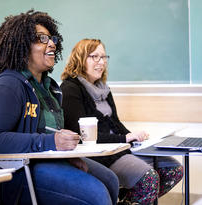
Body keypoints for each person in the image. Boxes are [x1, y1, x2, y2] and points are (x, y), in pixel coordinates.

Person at [0, 10, 120, 205]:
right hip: (13, 173)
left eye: (52, 39)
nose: (51, 44)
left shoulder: (49, 88)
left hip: (42, 162)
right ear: (22, 45)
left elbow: (49, 136)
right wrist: (51, 142)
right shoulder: (7, 85)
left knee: (111, 181)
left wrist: (67, 156)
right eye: (42, 39)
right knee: (96, 195)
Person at [60, 38, 184, 204]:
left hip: (120, 148)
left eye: (104, 57)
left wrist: (135, 138)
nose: (101, 62)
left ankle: (125, 201)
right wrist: (124, 139)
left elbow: (116, 124)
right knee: (148, 178)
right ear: (80, 58)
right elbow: (82, 135)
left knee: (173, 170)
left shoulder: (103, 88)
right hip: (100, 155)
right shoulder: (70, 88)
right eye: (94, 56)